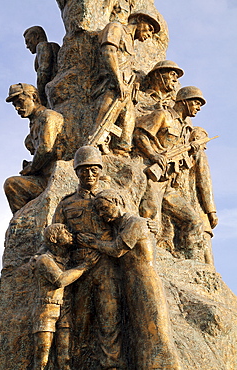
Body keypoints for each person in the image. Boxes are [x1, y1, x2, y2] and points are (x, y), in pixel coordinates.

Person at [78, 189, 182, 370]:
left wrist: (91, 242)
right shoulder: (121, 226)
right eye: (99, 211)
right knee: (139, 333)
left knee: (154, 331)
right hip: (131, 283)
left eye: (104, 208)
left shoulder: (135, 223)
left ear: (116, 202)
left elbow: (117, 250)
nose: (102, 214)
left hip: (145, 283)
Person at [53, 146, 124, 369]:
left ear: (100, 172)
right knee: (80, 322)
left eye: (94, 170)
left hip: (106, 266)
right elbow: (55, 237)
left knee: (109, 318)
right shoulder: (65, 204)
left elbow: (125, 225)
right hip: (79, 269)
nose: (89, 175)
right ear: (76, 173)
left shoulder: (111, 198)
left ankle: (111, 364)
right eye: (84, 171)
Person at [133, 86, 207, 255]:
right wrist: (153, 155)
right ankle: (150, 257)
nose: (199, 107)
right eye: (196, 103)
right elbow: (139, 135)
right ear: (184, 101)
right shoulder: (163, 115)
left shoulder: (184, 129)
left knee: (193, 220)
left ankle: (188, 260)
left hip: (168, 183)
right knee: (152, 221)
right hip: (153, 178)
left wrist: (191, 149)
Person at [31, 223, 99, 370]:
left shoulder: (68, 259)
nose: (70, 233)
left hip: (65, 311)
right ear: (54, 238)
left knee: (65, 358)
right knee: (42, 357)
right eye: (64, 231)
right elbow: (60, 280)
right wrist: (84, 266)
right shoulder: (44, 260)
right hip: (46, 310)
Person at [92, 11, 161, 154]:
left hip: (125, 90)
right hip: (110, 86)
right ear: (139, 20)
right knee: (101, 126)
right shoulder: (116, 28)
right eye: (149, 29)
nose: (148, 35)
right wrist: (118, 82)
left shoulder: (131, 42)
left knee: (127, 129)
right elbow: (109, 52)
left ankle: (117, 156)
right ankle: (92, 151)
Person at [4, 83, 64, 214]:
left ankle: (27, 220)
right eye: (15, 105)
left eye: (20, 102)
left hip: (56, 178)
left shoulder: (48, 116)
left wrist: (31, 168)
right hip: (44, 178)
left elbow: (45, 148)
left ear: (34, 97)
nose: (18, 108)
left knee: (11, 184)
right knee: (12, 185)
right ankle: (25, 221)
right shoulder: (34, 124)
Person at [188, 126, 218, 264]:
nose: (205, 147)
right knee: (205, 234)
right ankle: (209, 270)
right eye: (204, 143)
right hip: (197, 203)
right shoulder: (199, 155)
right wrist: (211, 211)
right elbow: (204, 183)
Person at [23, 26, 60, 107]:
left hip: (51, 92)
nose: (27, 46)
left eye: (28, 41)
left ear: (36, 36)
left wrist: (40, 97)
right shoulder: (53, 46)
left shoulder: (42, 46)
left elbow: (43, 72)